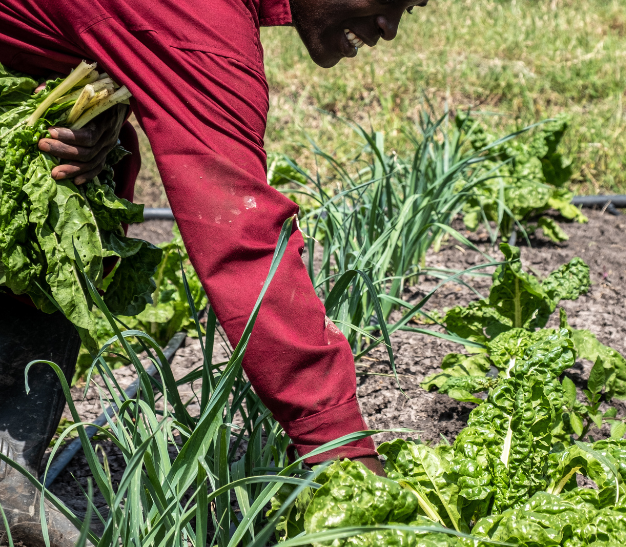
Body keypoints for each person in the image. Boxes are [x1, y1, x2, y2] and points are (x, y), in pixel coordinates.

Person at [0, 0, 426, 544]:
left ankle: (8, 467)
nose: (389, 28)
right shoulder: (196, 16)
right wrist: (343, 452)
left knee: (67, 182)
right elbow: (241, 236)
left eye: (410, 8)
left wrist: (102, 112)